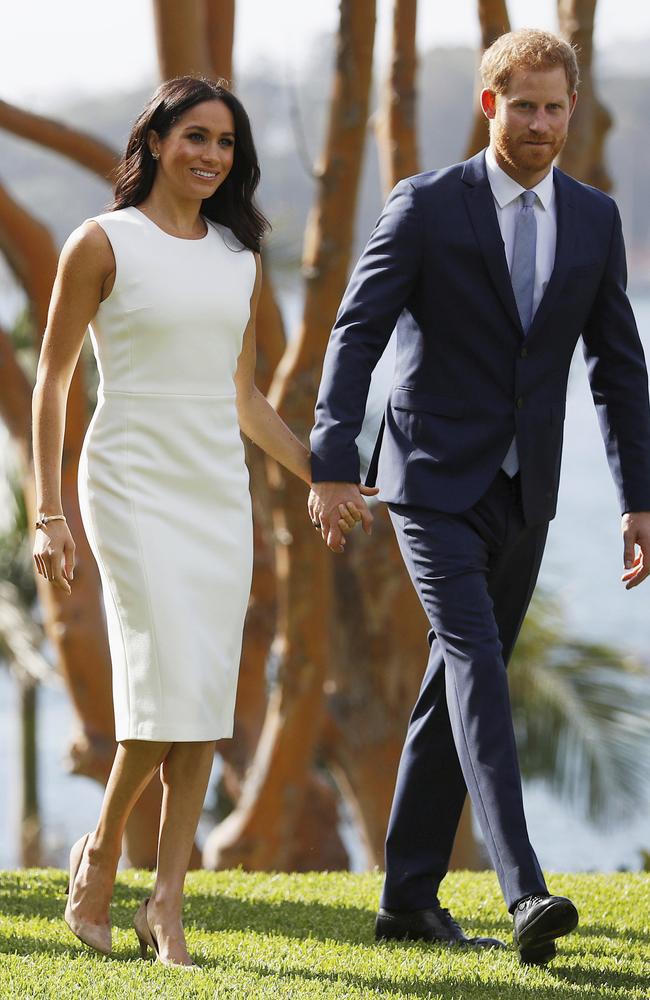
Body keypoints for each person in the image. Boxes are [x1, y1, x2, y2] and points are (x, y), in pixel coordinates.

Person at [308, 28, 650, 965]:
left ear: (571, 112)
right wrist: (333, 460)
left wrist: (637, 498)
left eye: (555, 107)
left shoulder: (591, 219)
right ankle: (525, 888)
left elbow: (619, 369)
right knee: (477, 664)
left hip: (526, 490)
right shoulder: (424, 206)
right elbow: (355, 332)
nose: (540, 124)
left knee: (447, 688)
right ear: (491, 103)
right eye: (523, 105)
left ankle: (407, 900)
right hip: (426, 479)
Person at [32, 76, 357, 969]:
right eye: (196, 137)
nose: (210, 155)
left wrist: (323, 476)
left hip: (216, 488)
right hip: (128, 480)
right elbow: (53, 383)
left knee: (203, 700)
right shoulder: (101, 243)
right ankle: (100, 851)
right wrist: (47, 512)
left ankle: (166, 904)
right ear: (158, 140)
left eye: (225, 143)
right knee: (166, 683)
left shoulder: (237, 259)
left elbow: (245, 399)